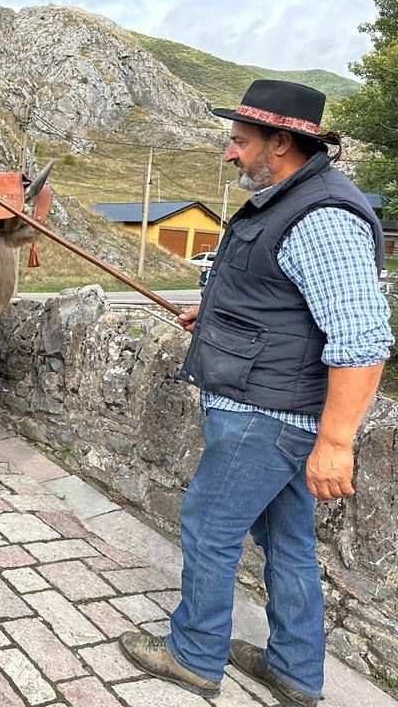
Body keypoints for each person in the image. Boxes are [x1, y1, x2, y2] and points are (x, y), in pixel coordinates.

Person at [119, 80, 393, 707]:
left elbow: (362, 339)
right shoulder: (285, 200)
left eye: (239, 141)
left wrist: (335, 444)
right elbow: (277, 302)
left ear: (281, 141)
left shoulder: (321, 216)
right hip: (270, 407)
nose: (228, 153)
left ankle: (194, 657)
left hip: (267, 417)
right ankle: (294, 673)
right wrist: (212, 320)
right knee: (288, 540)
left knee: (208, 528)